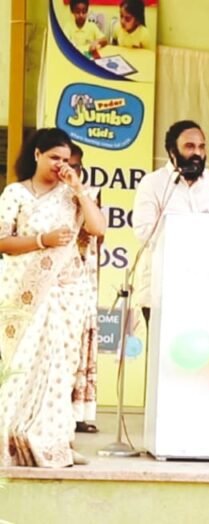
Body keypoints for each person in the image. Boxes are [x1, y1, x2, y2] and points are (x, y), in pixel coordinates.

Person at [0, 128, 107, 467]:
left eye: (66, 160)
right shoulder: (15, 193)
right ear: (37, 155)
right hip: (24, 294)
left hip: (67, 295)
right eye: (54, 158)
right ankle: (10, 439)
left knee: (59, 371)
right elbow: (2, 240)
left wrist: (78, 189)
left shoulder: (72, 194)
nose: (61, 165)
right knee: (20, 367)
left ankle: (54, 442)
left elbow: (98, 228)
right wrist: (42, 240)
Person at [133, 121, 209, 322]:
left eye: (201, 146)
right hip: (162, 290)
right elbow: (144, 232)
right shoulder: (153, 183)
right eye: (190, 146)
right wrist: (188, 235)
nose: (197, 153)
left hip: (208, 289)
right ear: (172, 151)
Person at [68, 143, 102, 435]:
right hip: (52, 282)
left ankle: (77, 415)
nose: (70, 170)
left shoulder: (90, 194)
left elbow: (98, 235)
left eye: (76, 165)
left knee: (81, 346)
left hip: (83, 278)